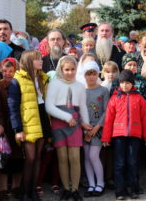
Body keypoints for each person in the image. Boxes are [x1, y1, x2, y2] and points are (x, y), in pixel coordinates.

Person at [45, 55, 92, 201]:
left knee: (75, 158)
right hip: (59, 124)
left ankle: (75, 189)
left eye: (73, 69)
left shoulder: (79, 85)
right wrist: (66, 117)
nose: (70, 72)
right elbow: (49, 106)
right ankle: (66, 188)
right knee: (63, 158)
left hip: (75, 124)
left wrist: (86, 126)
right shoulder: (54, 84)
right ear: (61, 69)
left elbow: (83, 106)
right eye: (67, 69)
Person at [101, 70, 146, 200]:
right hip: (119, 136)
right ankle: (120, 190)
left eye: (128, 83)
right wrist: (106, 137)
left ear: (132, 83)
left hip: (134, 136)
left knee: (133, 162)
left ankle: (133, 188)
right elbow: (108, 120)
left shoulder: (139, 98)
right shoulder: (114, 99)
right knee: (119, 163)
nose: (125, 85)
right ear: (119, 83)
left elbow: (145, 119)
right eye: (122, 82)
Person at [8, 50, 51, 200]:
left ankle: (33, 191)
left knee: (38, 157)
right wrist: (18, 129)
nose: (41, 61)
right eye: (37, 59)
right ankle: (25, 192)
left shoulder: (42, 78)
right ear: (28, 61)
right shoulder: (17, 80)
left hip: (42, 118)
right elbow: (13, 107)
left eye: (40, 59)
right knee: (30, 158)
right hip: (28, 122)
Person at [0, 58, 23, 201]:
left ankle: (16, 187)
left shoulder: (19, 83)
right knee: (4, 158)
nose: (8, 74)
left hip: (18, 126)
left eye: (11, 71)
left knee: (18, 158)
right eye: (5, 71)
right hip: (4, 127)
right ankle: (3, 189)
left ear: (15, 71)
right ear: (1, 70)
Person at [81, 61, 109, 197]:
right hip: (85, 129)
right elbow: (79, 110)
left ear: (98, 73)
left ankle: (100, 183)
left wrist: (97, 127)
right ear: (84, 75)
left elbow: (106, 111)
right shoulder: (81, 91)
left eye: (93, 74)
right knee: (86, 156)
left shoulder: (103, 90)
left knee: (93, 155)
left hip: (98, 129)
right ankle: (91, 184)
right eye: (88, 74)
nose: (91, 77)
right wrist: (84, 127)